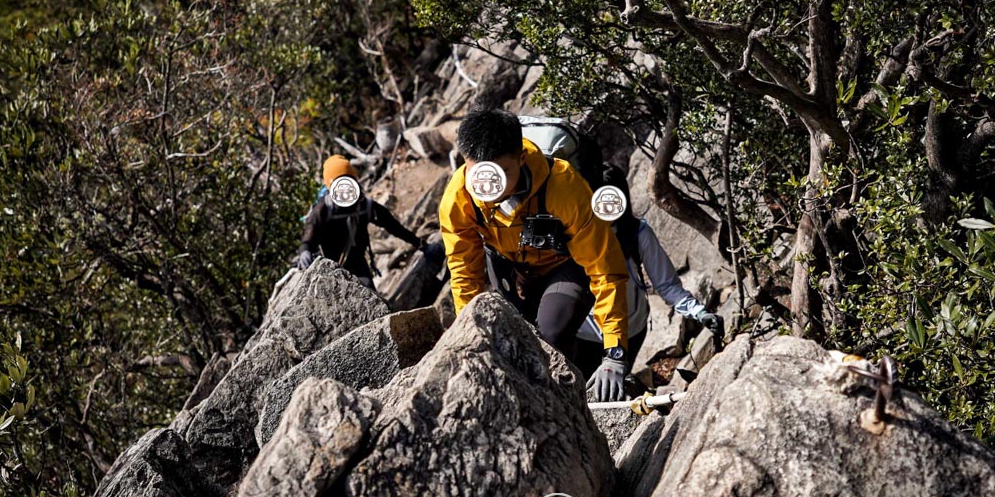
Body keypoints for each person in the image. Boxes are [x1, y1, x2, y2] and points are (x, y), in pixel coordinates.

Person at [438, 109, 631, 402]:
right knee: (512, 341)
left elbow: (604, 267)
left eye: (502, 174)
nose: (489, 188)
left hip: (565, 266)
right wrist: (468, 335)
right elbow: (463, 270)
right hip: (509, 267)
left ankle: (568, 402)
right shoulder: (458, 197)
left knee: (550, 335)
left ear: (521, 158)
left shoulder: (564, 187)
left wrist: (615, 352)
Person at [576, 165, 724, 364]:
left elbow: (667, 285)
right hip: (583, 333)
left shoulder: (638, 234)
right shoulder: (574, 233)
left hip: (629, 333)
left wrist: (700, 313)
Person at [297, 155, 442, 287]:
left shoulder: (364, 206)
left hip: (358, 264)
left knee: (370, 297)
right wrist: (305, 252)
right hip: (330, 269)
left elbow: (393, 227)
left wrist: (421, 245)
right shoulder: (324, 209)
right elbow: (309, 238)